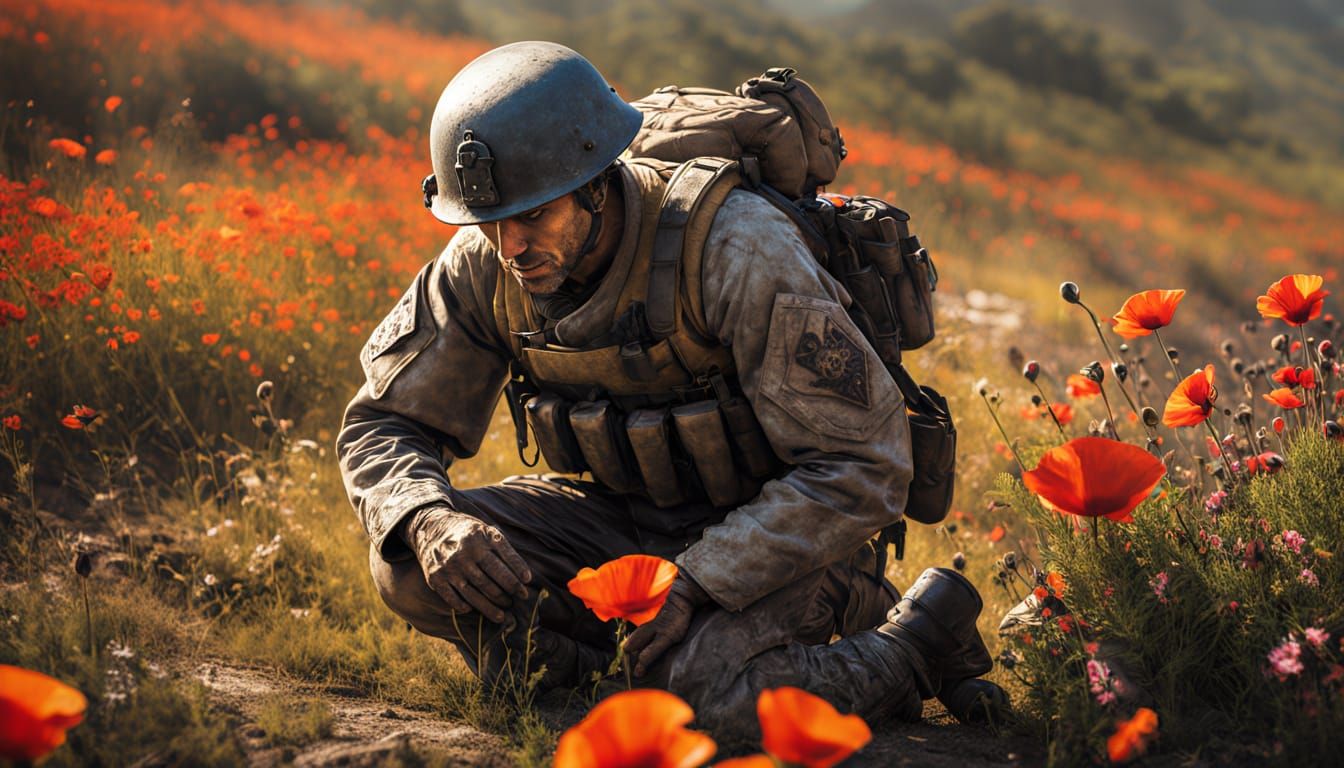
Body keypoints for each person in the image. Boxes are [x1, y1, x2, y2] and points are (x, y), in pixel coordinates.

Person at [337, 41, 1004, 746]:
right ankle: (609, 677)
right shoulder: (484, 264)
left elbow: (866, 468)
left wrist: (693, 582)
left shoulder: (734, 251)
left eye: (534, 215)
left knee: (700, 699)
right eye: (491, 221)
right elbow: (381, 422)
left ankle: (915, 642)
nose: (510, 247)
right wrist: (428, 521)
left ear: (596, 183)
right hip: (624, 525)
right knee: (410, 563)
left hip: (782, 544)